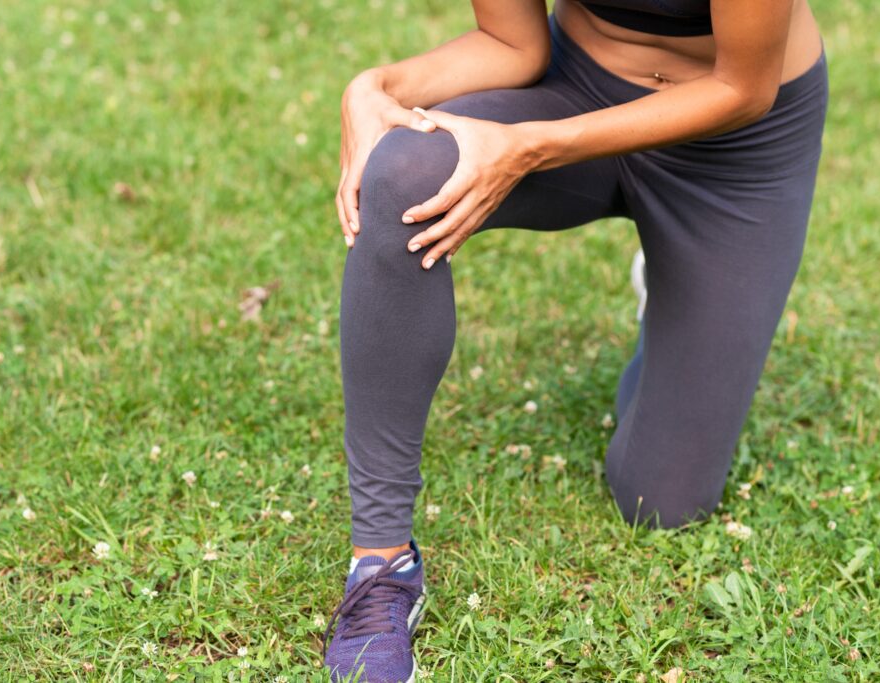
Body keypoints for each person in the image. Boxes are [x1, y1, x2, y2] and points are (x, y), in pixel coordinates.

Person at [324, 0, 828, 680]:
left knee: (662, 501)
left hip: (733, 149)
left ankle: (676, 294)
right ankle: (380, 564)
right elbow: (513, 44)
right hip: (576, 84)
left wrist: (532, 144)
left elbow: (742, 89)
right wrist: (376, 86)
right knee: (404, 175)